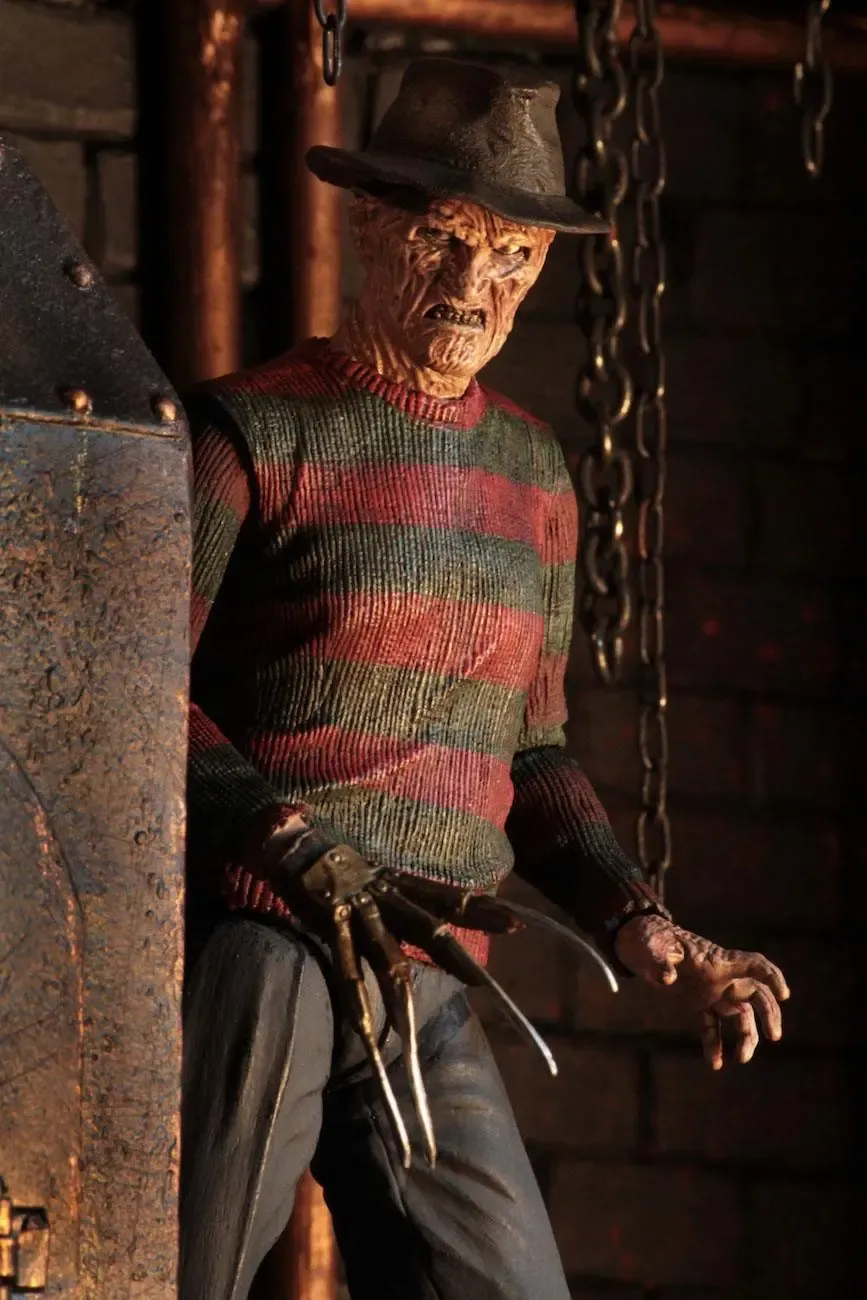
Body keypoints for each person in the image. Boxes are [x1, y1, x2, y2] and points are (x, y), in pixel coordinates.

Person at [180, 58, 789, 1300]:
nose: (473, 285)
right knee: (177, 1268)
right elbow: (139, 699)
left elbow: (536, 753)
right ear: (368, 223)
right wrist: (288, 841)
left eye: (512, 256)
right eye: (442, 240)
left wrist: (643, 923)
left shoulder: (534, 473)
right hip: (271, 944)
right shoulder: (249, 431)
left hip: (431, 973)